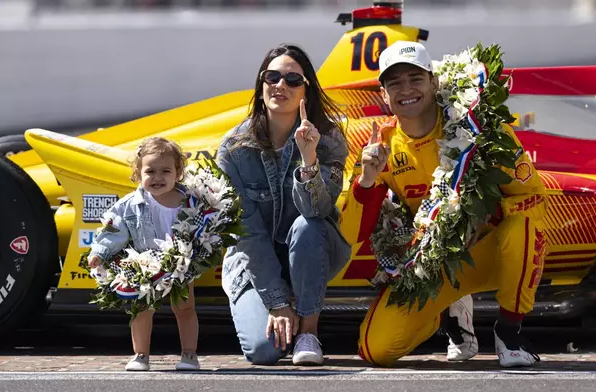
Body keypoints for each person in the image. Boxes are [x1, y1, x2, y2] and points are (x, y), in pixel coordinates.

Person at [339, 41, 548, 368]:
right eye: (394, 83)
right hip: (433, 264)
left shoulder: (479, 127)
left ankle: (509, 330)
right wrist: (366, 180)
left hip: (491, 251)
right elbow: (350, 232)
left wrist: (478, 223)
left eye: (415, 78)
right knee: (376, 349)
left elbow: (531, 195)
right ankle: (446, 313)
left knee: (523, 226)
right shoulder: (380, 145)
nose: (406, 89)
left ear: (434, 82)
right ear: (383, 94)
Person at [216, 44, 352, 366]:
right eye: (272, 76)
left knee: (308, 225)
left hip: (309, 247)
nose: (280, 85)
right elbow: (247, 234)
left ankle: (309, 331)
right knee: (264, 352)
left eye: (293, 80)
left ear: (307, 90)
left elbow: (317, 212)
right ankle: (286, 308)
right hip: (254, 261)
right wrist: (277, 301)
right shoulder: (232, 149)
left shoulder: (329, 140)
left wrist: (308, 160)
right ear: (260, 84)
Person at [87, 137, 200, 372]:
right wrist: (100, 252)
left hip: (180, 264)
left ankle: (189, 354)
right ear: (138, 174)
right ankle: (140, 355)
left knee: (185, 308)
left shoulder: (191, 200)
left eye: (165, 171)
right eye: (150, 171)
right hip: (145, 266)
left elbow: (207, 227)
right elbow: (113, 229)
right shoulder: (130, 204)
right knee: (141, 308)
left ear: (178, 172)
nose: (158, 177)